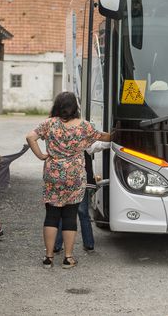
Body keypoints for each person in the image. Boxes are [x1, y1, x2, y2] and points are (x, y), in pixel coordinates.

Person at [26, 91, 111, 269]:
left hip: (53, 175)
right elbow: (105, 137)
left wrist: (41, 155)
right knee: (70, 216)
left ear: (57, 106)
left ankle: (48, 258)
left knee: (51, 216)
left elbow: (30, 137)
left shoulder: (49, 124)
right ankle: (68, 258)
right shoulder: (84, 126)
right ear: (75, 107)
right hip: (74, 176)